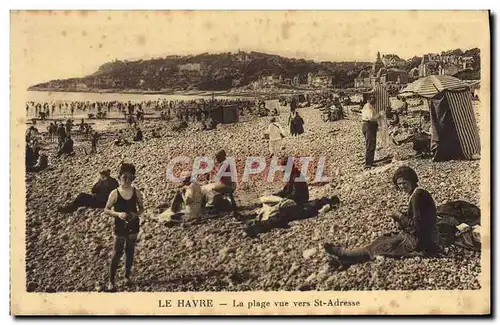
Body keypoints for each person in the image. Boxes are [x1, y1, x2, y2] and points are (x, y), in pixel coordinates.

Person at [324, 166, 438, 264]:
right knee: (382, 241)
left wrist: (399, 216)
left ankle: (345, 255)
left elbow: (417, 226)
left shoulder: (417, 196)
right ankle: (345, 258)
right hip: (423, 237)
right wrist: (400, 218)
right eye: (399, 184)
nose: (402, 186)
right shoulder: (418, 192)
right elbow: (420, 220)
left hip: (420, 242)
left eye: (405, 183)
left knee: (380, 247)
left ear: (412, 181)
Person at [104, 163, 144, 291]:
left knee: (130, 251)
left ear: (133, 178)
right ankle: (111, 281)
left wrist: (135, 214)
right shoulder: (114, 193)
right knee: (116, 252)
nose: (127, 180)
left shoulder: (136, 192)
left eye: (130, 177)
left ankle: (127, 276)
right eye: (124, 177)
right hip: (120, 225)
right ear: (119, 177)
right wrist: (118, 214)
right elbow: (106, 209)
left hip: (133, 224)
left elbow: (141, 209)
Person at [201, 150, 237, 214]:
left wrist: (213, 171)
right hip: (231, 184)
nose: (216, 158)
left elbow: (218, 176)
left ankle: (210, 205)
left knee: (205, 188)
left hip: (227, 185)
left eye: (217, 157)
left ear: (221, 157)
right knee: (208, 185)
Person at [361, 95, 379, 169]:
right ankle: (368, 163)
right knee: (370, 144)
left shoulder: (369, 106)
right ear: (369, 99)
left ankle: (370, 162)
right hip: (369, 125)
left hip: (369, 125)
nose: (374, 101)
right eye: (373, 99)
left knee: (371, 144)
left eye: (375, 99)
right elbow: (371, 117)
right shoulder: (368, 106)